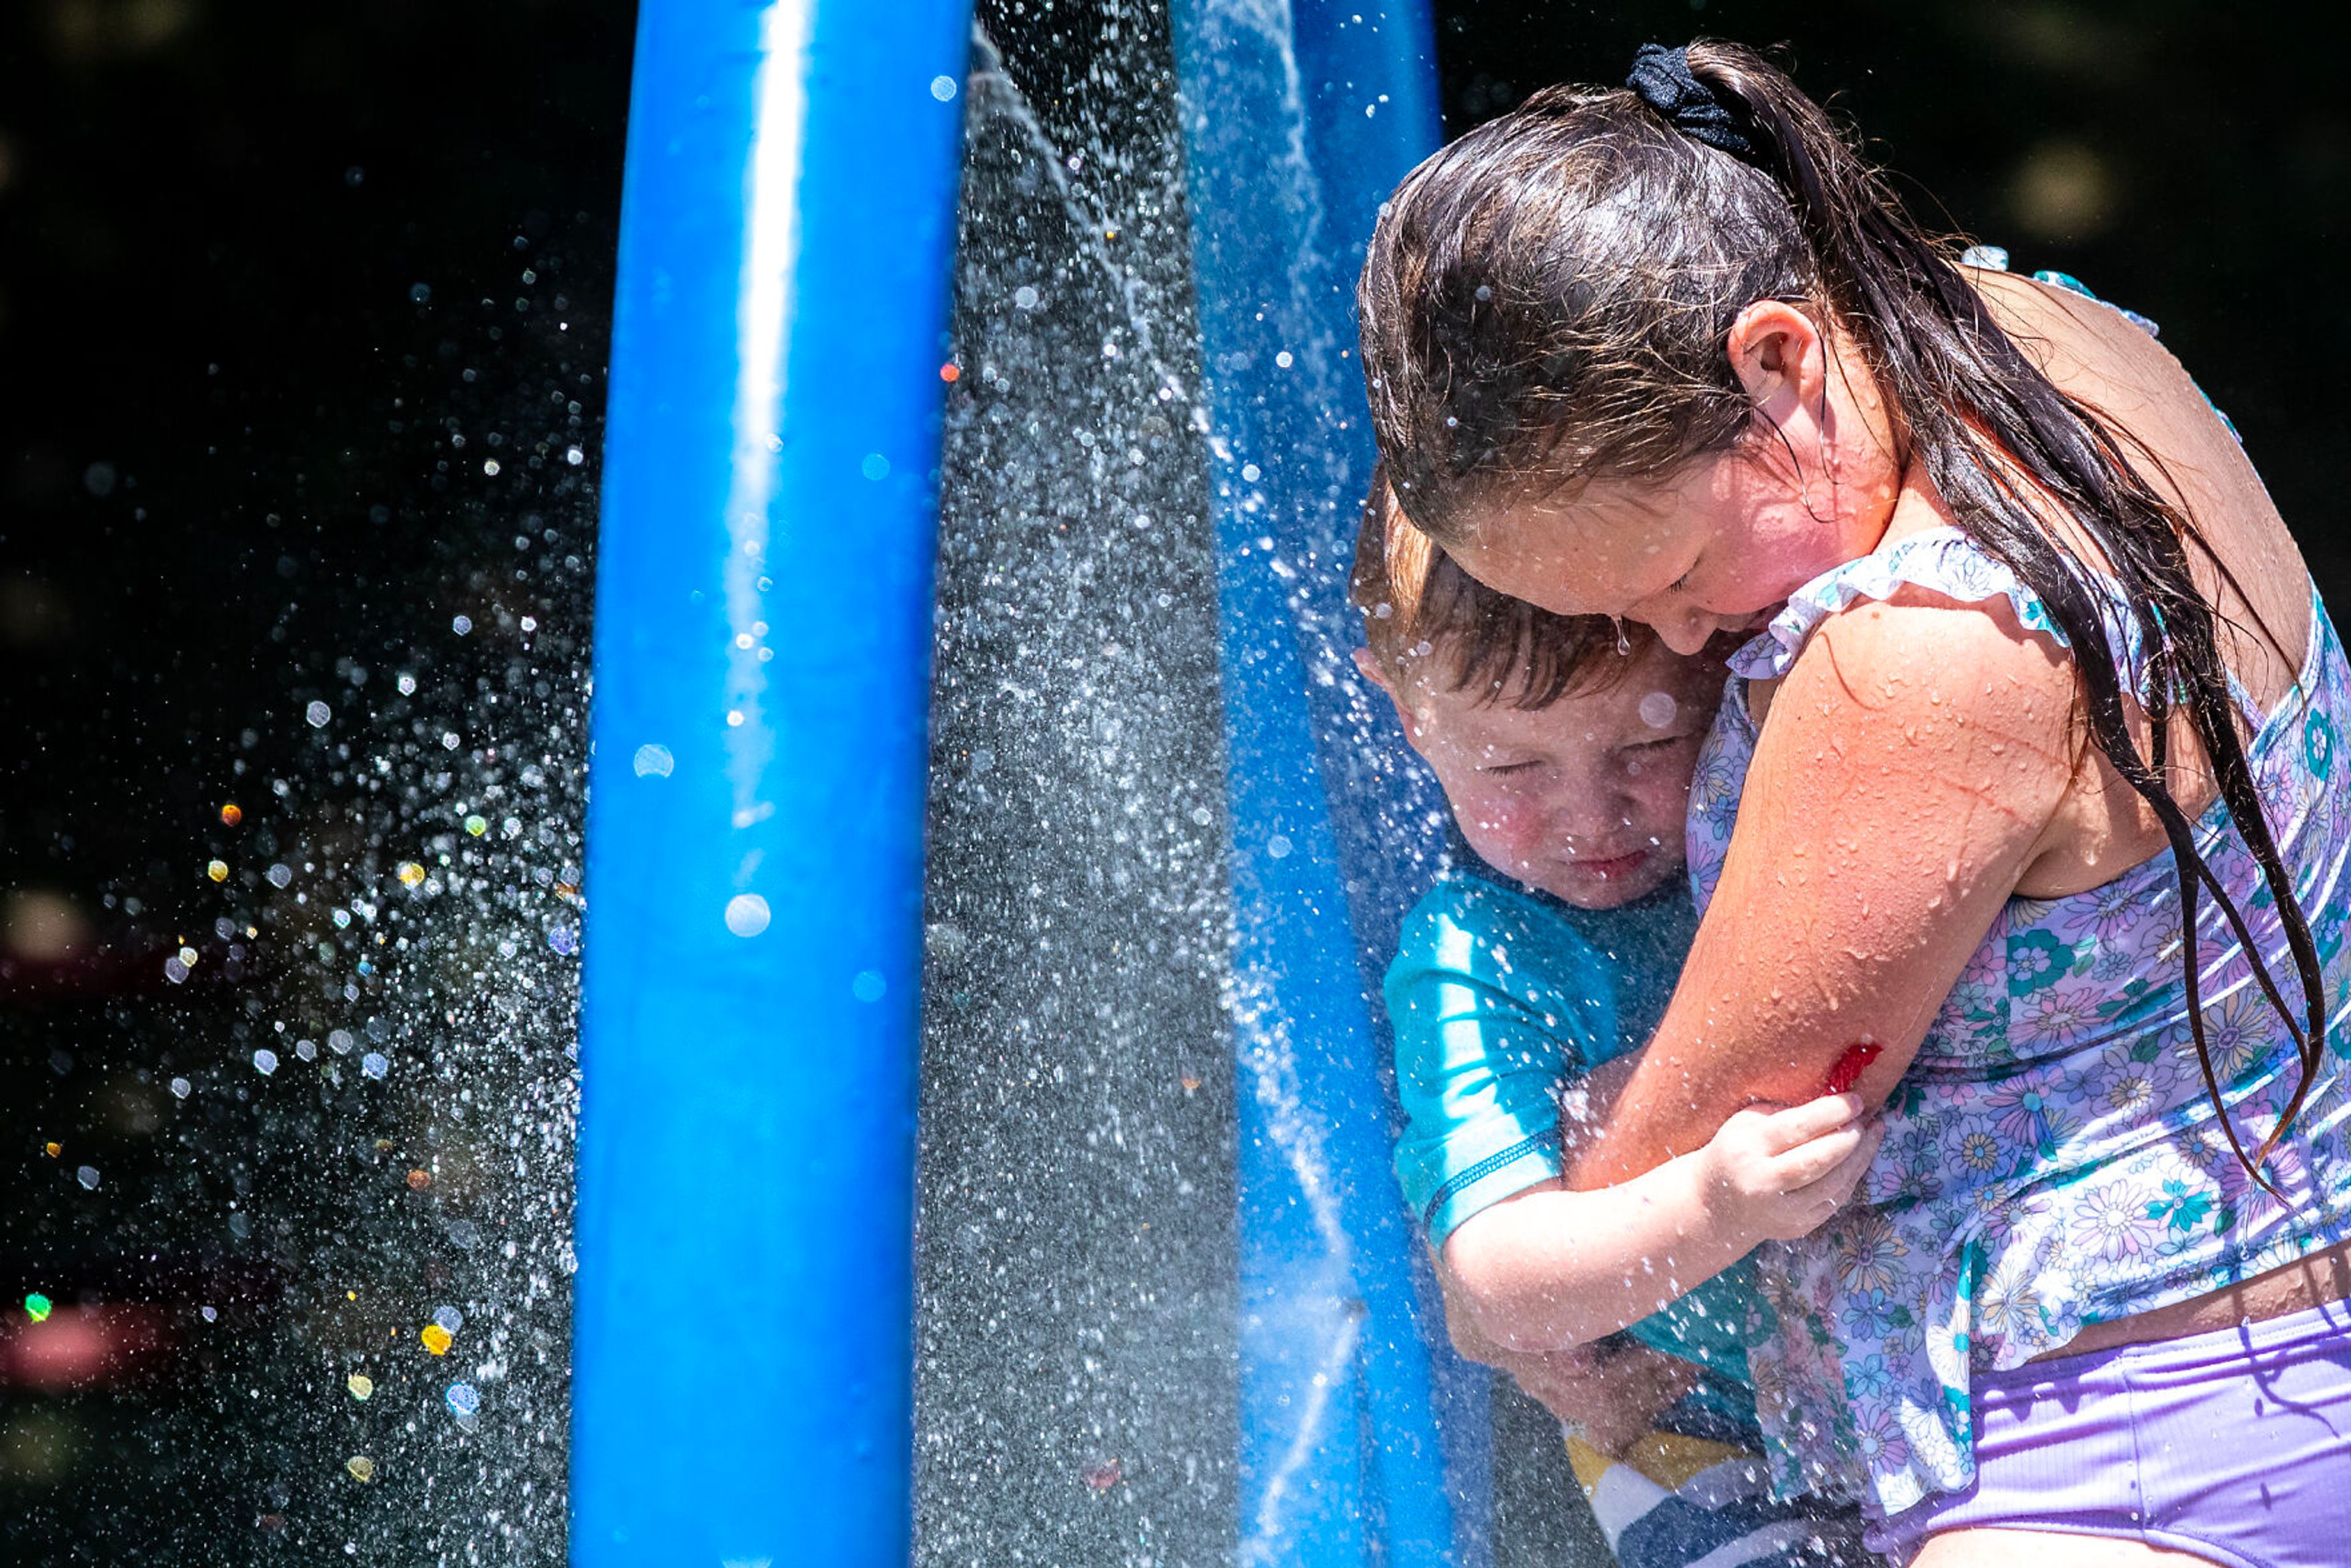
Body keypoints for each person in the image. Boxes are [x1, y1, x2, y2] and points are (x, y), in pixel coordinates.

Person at [1357, 37, 2351, 1568]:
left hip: (2109, 1469)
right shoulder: (2042, 341)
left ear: (1775, 361)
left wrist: (1525, 1235)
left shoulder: (1919, 658)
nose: (1689, 645)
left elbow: (1670, 1173)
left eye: (1679, 578)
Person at [1351, 473, 1873, 1567]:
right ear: (1408, 717)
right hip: (1687, 1410)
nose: (1591, 816)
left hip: (1896, 1351)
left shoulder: (1774, 817)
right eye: (1511, 766)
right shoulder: (1474, 957)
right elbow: (1495, 1274)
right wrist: (1714, 1201)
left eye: (1644, 746)